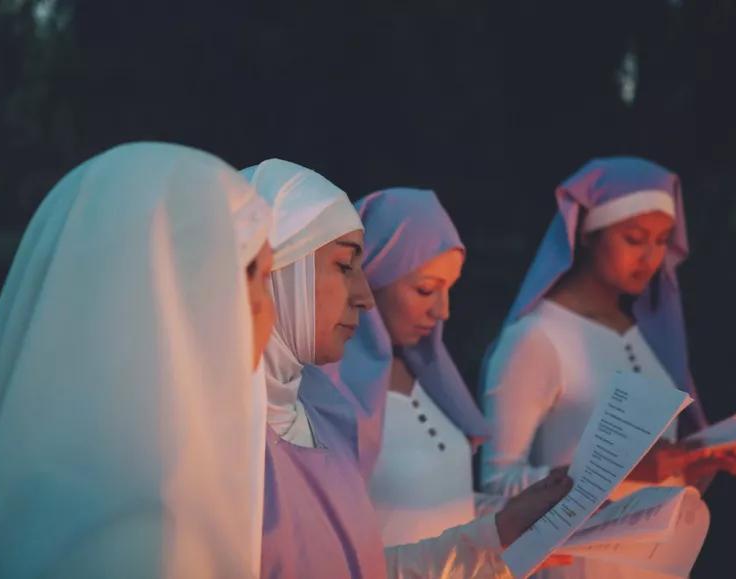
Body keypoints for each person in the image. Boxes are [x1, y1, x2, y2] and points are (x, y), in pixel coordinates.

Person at [0, 142, 272, 579]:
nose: (270, 311)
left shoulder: (22, 482)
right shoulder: (150, 536)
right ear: (210, 293)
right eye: (266, 280)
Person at [246, 159, 574, 579]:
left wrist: (503, 529)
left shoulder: (318, 414)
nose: (443, 311)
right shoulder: (262, 425)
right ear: (277, 273)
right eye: (424, 289)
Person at [479, 157, 736, 579]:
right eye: (634, 238)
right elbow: (496, 488)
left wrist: (700, 463)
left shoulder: (644, 336)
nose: (650, 257)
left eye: (662, 240)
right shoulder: (538, 337)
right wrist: (625, 472)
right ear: (590, 235)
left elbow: (657, 480)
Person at [325, 187, 498, 547]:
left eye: (449, 290)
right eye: (425, 290)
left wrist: (519, 512)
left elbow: (439, 506)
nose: (442, 312)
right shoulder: (327, 391)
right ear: (371, 280)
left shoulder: (431, 380)